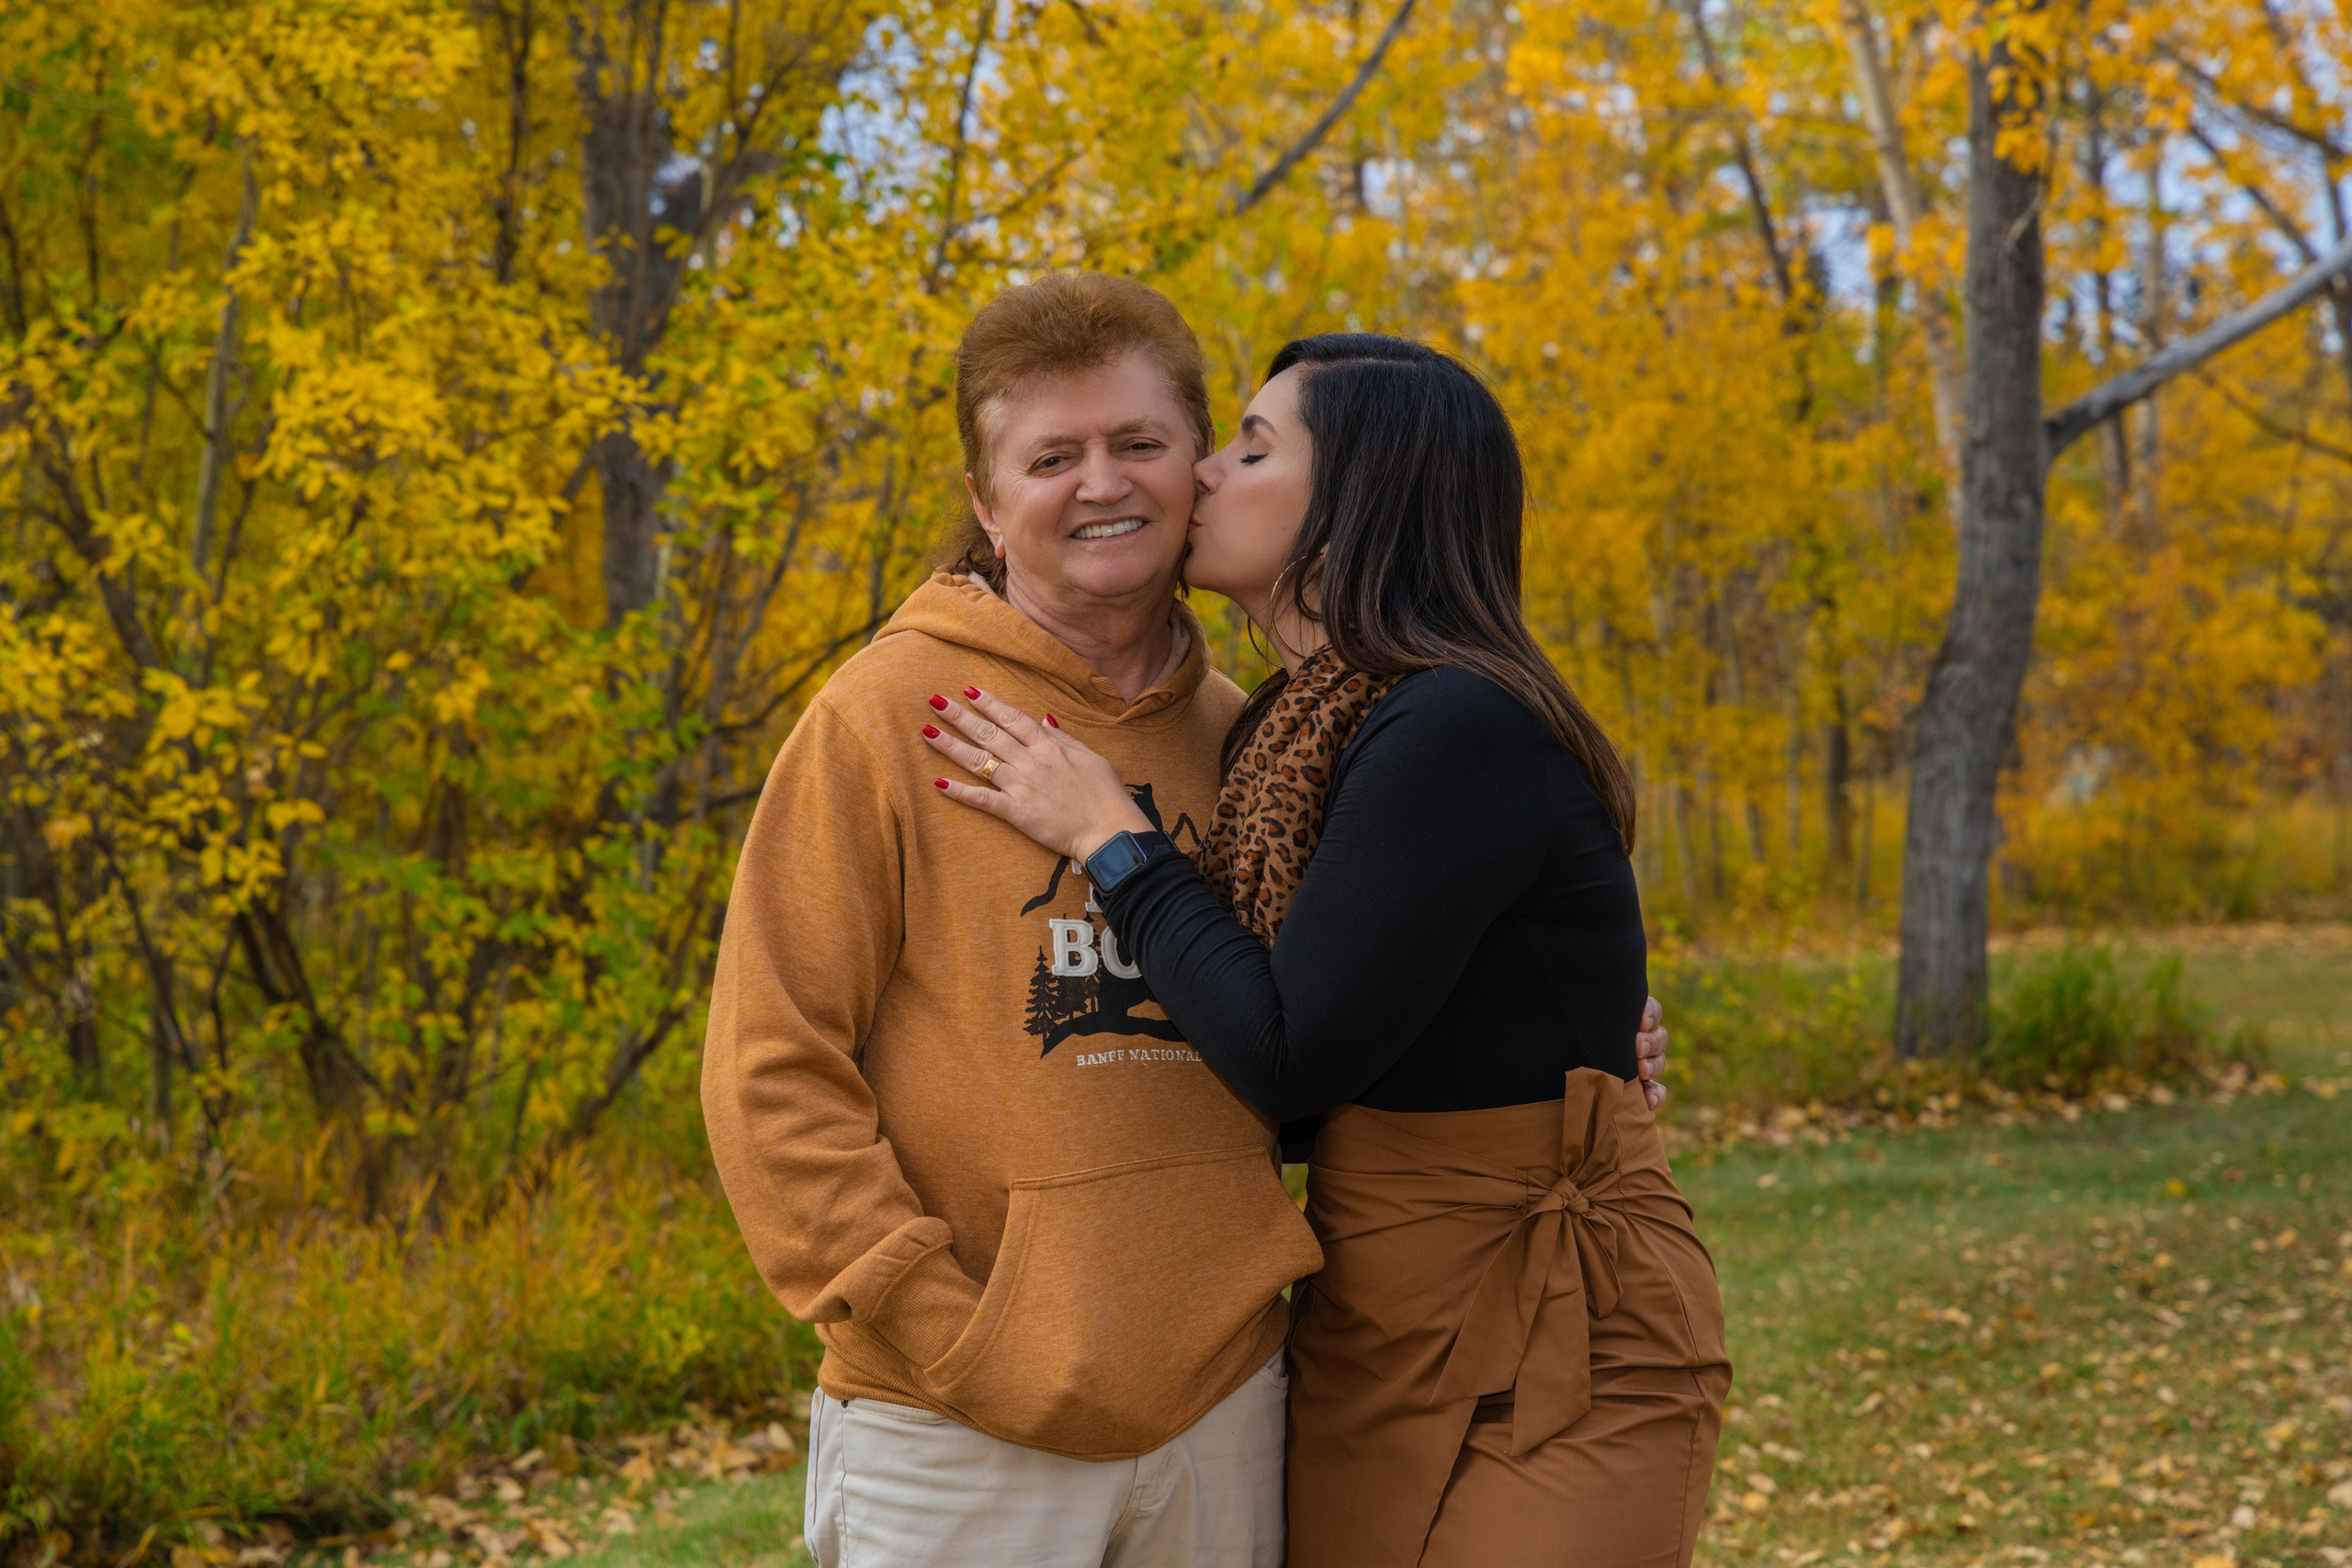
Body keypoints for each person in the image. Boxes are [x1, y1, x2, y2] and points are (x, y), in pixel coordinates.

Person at [705, 275, 1670, 1568]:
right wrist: (940, 1324)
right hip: (958, 1424)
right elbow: (771, 1067)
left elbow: (1308, 1040)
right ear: (990, 507)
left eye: (1141, 443)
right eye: (1052, 457)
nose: (1102, 483)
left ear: (1197, 471)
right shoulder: (888, 719)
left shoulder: (1264, 740)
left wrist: (1555, 1063)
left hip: (1230, 1400)